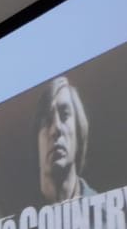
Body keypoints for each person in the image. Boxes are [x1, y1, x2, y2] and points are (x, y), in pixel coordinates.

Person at [34, 75, 95, 203]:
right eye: (47, 120)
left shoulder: (107, 212)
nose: (56, 128)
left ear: (78, 130)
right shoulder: (23, 214)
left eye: (65, 114)